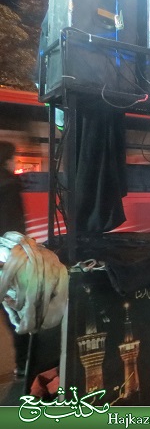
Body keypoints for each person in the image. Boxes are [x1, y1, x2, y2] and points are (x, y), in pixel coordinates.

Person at [0, 141, 30, 378]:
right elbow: (13, 228)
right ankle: (24, 364)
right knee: (17, 310)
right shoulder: (9, 185)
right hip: (6, 259)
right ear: (7, 160)